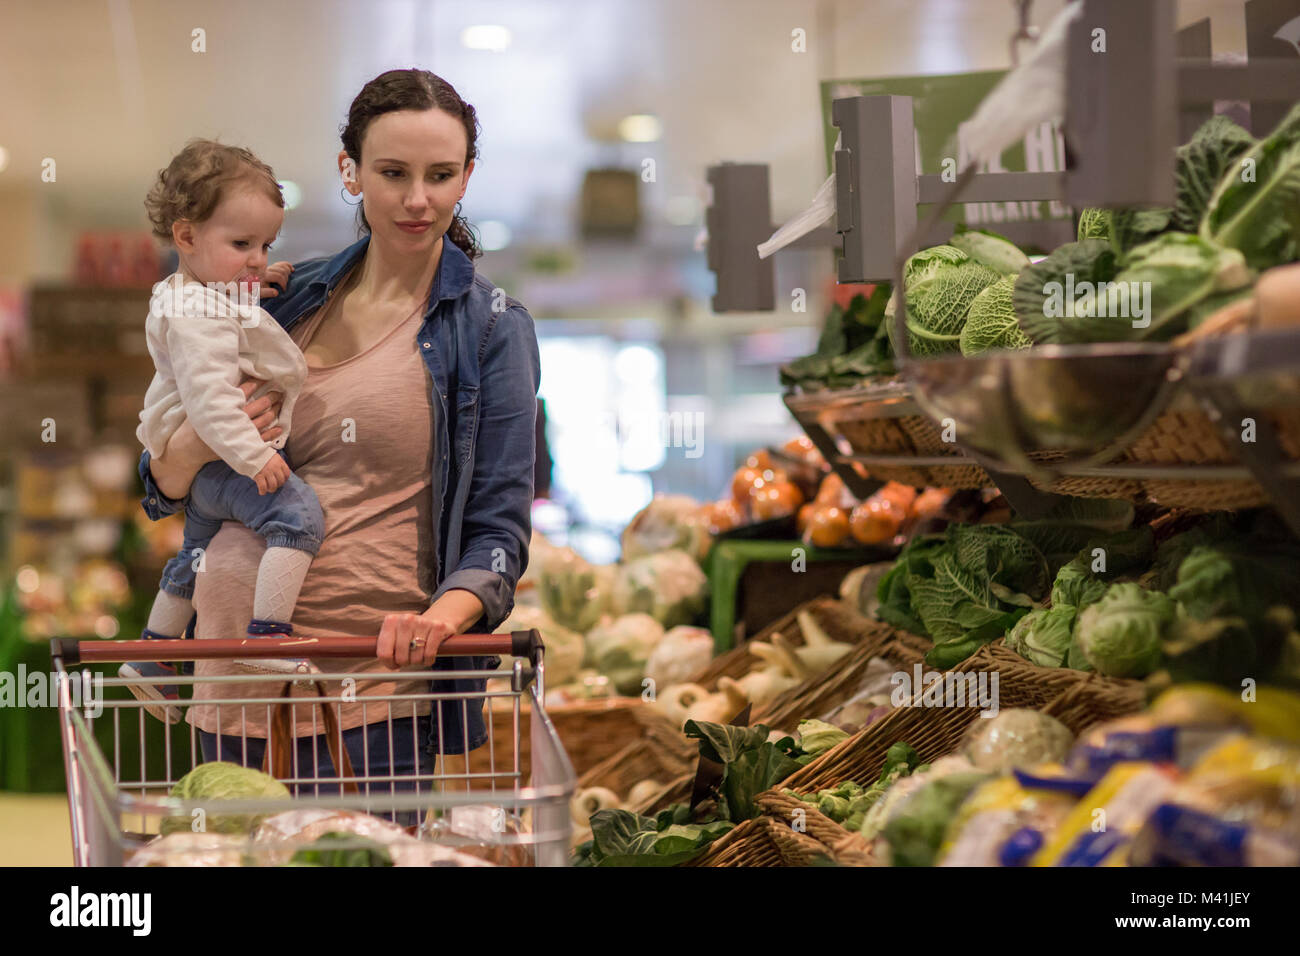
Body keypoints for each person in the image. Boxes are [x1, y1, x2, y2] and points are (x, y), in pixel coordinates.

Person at [137, 69, 540, 798]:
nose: (418, 199)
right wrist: (200, 443)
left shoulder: (489, 328)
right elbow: (162, 484)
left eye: (440, 175)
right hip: (227, 682)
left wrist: (442, 620)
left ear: (466, 178)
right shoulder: (282, 297)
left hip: (371, 694)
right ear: (349, 173)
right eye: (392, 173)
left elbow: (499, 530)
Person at [123, 141, 325, 725]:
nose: (258, 260)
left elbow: (227, 313)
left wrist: (251, 279)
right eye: (243, 245)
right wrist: (254, 454)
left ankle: (156, 653)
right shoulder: (198, 318)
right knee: (298, 517)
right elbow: (213, 401)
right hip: (224, 460)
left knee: (196, 551)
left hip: (201, 470)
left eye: (266, 245)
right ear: (186, 237)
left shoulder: (196, 294)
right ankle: (268, 637)